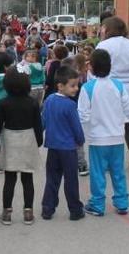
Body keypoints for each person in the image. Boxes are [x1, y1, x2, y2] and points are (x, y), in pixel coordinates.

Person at [78, 49, 129, 217]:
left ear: (91, 67)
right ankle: (122, 202)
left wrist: (80, 136)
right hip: (117, 138)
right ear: (110, 66)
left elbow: (82, 115)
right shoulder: (118, 85)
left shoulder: (87, 88)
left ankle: (97, 203)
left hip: (98, 139)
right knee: (118, 172)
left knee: (98, 173)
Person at [95, 16, 129, 173]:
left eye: (103, 28)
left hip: (110, 87)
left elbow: (97, 67)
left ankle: (109, 163)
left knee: (110, 126)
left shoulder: (103, 45)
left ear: (108, 29)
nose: (101, 30)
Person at [0, 68, 43, 226]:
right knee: (27, 178)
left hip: (10, 139)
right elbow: (38, 124)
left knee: (9, 179)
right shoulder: (32, 103)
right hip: (28, 138)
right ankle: (28, 212)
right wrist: (38, 141)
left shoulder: (3, 103)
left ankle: (7, 213)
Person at [40, 66, 85, 221]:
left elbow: (43, 121)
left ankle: (47, 208)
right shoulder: (71, 105)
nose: (76, 88)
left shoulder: (49, 100)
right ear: (60, 85)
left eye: (77, 85)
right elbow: (76, 127)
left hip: (53, 146)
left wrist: (39, 133)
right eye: (72, 85)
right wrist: (80, 140)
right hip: (68, 148)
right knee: (71, 179)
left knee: (52, 178)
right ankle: (75, 209)